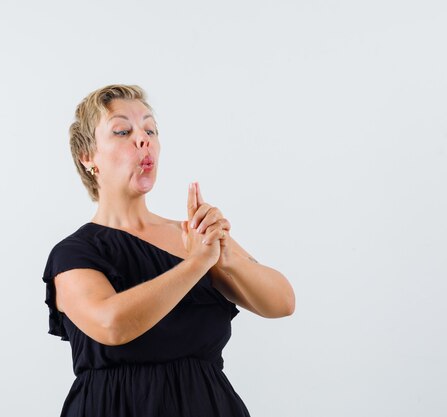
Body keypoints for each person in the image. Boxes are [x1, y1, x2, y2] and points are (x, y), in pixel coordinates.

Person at [41, 84, 296, 417]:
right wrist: (195, 265)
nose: (143, 139)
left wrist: (225, 255)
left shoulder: (192, 235)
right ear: (88, 158)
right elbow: (112, 325)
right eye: (122, 131)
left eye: (150, 129)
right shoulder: (74, 253)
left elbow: (282, 303)